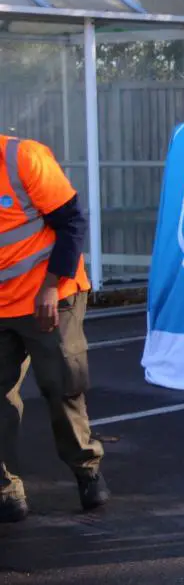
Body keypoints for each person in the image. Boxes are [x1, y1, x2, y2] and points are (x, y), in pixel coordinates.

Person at [0, 135, 108, 523]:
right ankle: (7, 489)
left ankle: (86, 470)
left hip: (49, 296)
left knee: (61, 386)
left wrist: (49, 288)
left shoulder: (22, 157)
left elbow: (73, 221)